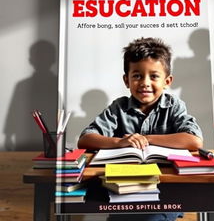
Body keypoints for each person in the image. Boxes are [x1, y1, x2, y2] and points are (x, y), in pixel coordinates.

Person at [78, 37, 203, 221]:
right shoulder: (118, 107)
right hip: (124, 188)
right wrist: (120, 142)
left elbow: (194, 140)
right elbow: (86, 138)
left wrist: (147, 139)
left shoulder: (174, 105)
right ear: (126, 80)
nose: (145, 82)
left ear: (167, 81)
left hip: (165, 190)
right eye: (137, 75)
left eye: (154, 76)